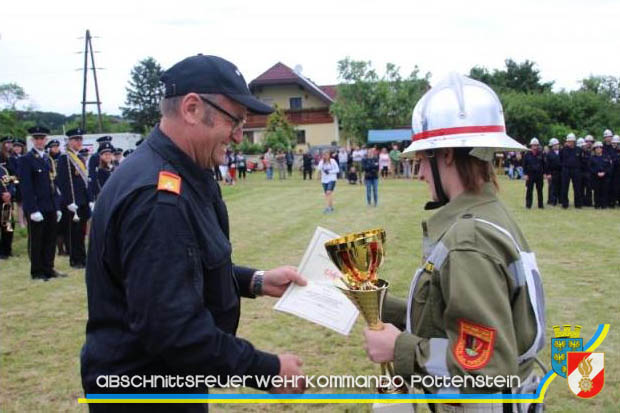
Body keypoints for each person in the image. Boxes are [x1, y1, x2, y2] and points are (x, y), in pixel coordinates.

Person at [81, 55, 307, 409]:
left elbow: (179, 272)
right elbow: (173, 329)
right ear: (191, 108)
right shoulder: (158, 199)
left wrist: (255, 281)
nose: (238, 134)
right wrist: (267, 369)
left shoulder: (180, 171)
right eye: (235, 120)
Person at [363, 74, 545, 412]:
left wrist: (400, 349)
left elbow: (485, 366)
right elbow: (453, 316)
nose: (419, 174)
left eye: (421, 161)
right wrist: (376, 302)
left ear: (445, 154)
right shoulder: (488, 215)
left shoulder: (468, 239)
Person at [18, 126, 65, 280]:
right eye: (36, 138)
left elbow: (53, 184)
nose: (39, 141)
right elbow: (26, 186)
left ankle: (48, 268)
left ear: (46, 140)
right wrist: (32, 209)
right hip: (37, 206)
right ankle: (37, 271)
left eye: (42, 138)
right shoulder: (26, 159)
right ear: (32, 140)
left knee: (50, 239)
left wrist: (57, 207)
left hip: (50, 205)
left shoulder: (48, 159)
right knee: (37, 240)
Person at [56, 128, 93, 269]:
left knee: (82, 232)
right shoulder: (65, 158)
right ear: (69, 141)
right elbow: (63, 182)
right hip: (73, 202)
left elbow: (86, 181)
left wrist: (89, 198)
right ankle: (75, 259)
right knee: (73, 232)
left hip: (83, 200)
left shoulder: (80, 158)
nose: (78, 142)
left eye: (80, 139)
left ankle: (82, 257)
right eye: (75, 139)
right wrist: (69, 201)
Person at [47, 139, 68, 256]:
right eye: (53, 147)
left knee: (65, 222)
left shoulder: (62, 158)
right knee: (57, 224)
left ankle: (66, 246)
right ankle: (60, 248)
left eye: (57, 146)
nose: (55, 148)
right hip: (53, 190)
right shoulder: (47, 158)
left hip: (63, 191)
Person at [0, 138, 17, 259]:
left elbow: (14, 179)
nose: (8, 145)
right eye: (6, 143)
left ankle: (7, 250)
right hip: (1, 197)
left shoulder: (10, 162)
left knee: (8, 225)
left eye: (10, 143)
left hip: (7, 199)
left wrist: (10, 193)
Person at [560, 133, 583, 209]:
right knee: (564, 187)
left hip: (576, 170)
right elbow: (560, 159)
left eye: (571, 141)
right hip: (566, 170)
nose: (570, 142)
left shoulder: (579, 150)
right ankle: (565, 204)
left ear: (574, 141)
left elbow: (581, 160)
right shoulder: (563, 150)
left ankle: (578, 204)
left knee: (577, 187)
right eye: (568, 141)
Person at [523, 137, 545, 209]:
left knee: (540, 190)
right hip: (530, 175)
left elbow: (545, 164)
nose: (535, 147)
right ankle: (528, 205)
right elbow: (524, 165)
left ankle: (540, 205)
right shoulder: (527, 155)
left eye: (536, 145)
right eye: (534, 145)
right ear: (531, 146)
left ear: (538, 146)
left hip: (539, 175)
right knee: (529, 190)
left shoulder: (541, 154)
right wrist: (525, 174)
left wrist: (545, 173)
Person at [590, 141, 612, 209]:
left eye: (600, 147)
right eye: (597, 148)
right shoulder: (592, 158)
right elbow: (590, 167)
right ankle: (597, 205)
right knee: (597, 191)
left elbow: (610, 167)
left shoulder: (607, 157)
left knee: (604, 191)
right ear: (594, 149)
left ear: (602, 149)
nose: (598, 149)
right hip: (596, 177)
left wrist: (604, 172)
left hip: (605, 177)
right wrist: (597, 173)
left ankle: (604, 205)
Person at [545, 138, 561, 206]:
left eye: (557, 144)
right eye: (554, 145)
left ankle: (560, 199)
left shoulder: (561, 152)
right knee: (552, 187)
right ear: (552, 146)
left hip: (560, 172)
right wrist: (548, 173)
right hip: (552, 172)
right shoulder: (549, 154)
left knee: (560, 186)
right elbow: (547, 165)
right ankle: (552, 200)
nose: (556, 146)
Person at [581, 135, 594, 206]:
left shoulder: (594, 151)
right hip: (582, 172)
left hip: (590, 172)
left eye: (590, 142)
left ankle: (588, 202)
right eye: (587, 142)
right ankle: (582, 201)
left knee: (589, 188)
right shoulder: (581, 151)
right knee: (581, 187)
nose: (589, 143)